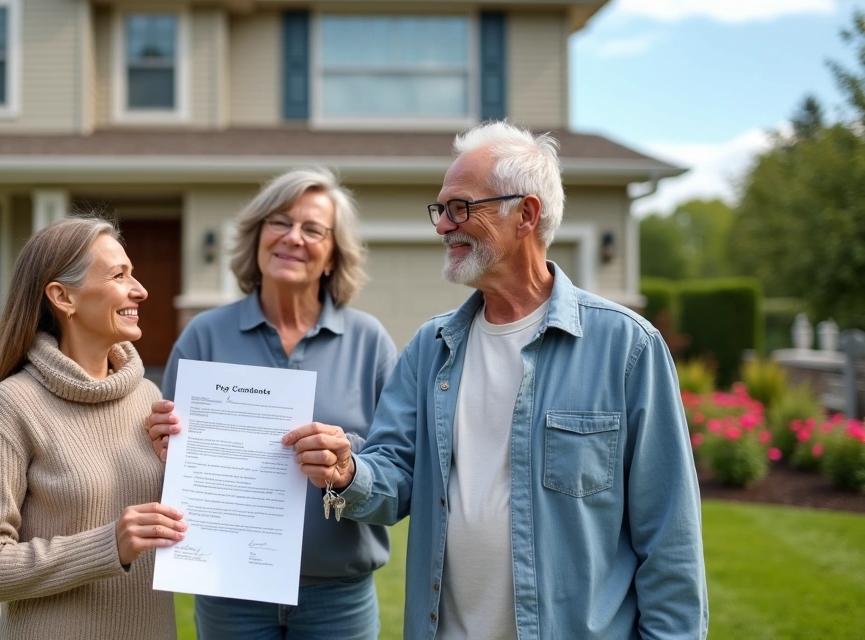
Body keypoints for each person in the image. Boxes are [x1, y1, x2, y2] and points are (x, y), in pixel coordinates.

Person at [283, 122, 709, 639]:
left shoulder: (627, 348)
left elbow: (670, 539)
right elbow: (394, 478)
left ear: (525, 214)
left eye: (460, 208)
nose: (442, 226)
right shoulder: (431, 347)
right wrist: (348, 469)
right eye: (440, 210)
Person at [146, 168, 398, 639]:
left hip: (337, 597)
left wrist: (347, 469)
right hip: (228, 592)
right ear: (258, 237)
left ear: (331, 257)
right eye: (279, 222)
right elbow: (166, 478)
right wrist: (163, 449)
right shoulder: (204, 337)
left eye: (313, 229)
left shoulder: (371, 343)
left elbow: (400, 482)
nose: (292, 238)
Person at [0, 216, 185, 640]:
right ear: (63, 297)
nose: (141, 290)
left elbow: (172, 529)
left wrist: (183, 471)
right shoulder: (14, 405)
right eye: (119, 275)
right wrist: (107, 546)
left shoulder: (148, 396)